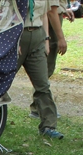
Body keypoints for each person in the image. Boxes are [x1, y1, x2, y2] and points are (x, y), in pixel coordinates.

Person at [17, 0, 65, 139]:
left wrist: (46, 40)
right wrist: (13, 40)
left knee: (42, 84)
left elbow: (44, 15)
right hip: (19, 35)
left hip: (37, 35)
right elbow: (8, 15)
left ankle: (48, 126)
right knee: (3, 81)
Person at [30, 0, 75, 119]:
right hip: (50, 24)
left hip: (52, 20)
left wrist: (63, 9)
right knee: (45, 70)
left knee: (46, 70)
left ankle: (38, 106)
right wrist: (61, 38)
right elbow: (50, 11)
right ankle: (39, 108)